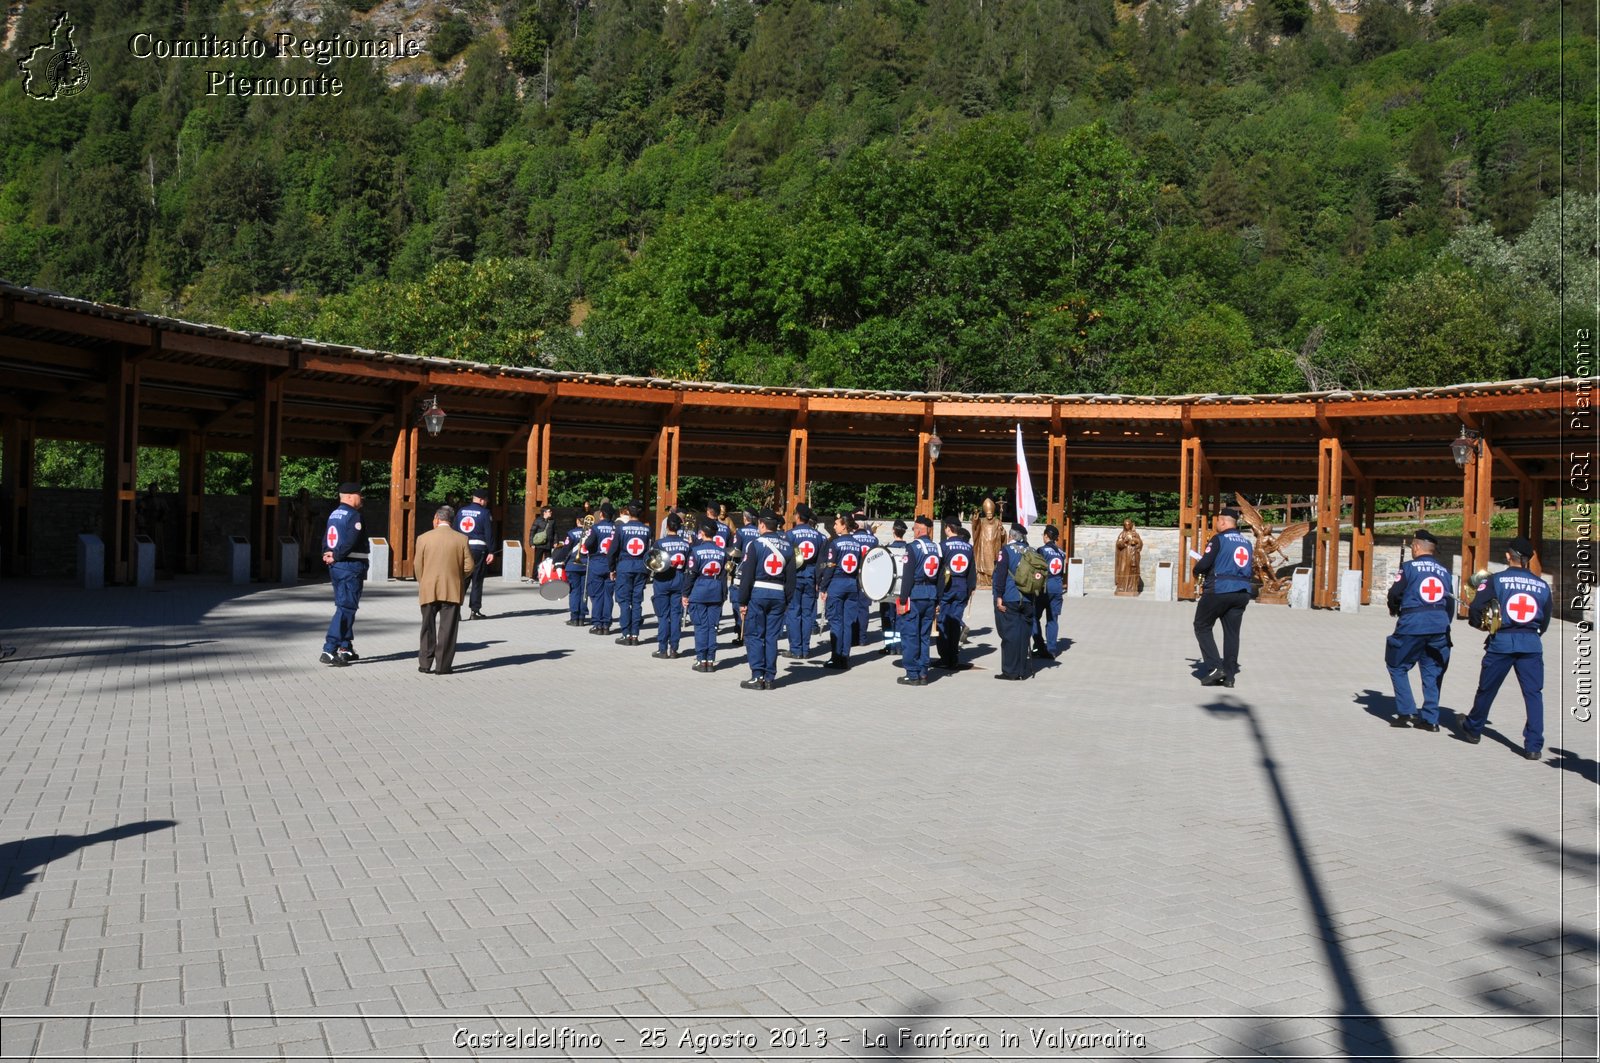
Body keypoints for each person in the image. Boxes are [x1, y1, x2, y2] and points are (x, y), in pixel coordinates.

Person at [1457, 537, 1553, 760]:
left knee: (1487, 689)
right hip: (1531, 643)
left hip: (1502, 642)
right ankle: (1533, 746)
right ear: (1529, 559)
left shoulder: (1496, 580)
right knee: (1533, 694)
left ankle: (1473, 729)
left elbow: (1477, 607)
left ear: (1509, 556)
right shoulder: (1542, 585)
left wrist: (1479, 625)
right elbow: (1545, 620)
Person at [1384, 528, 1455, 731]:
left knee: (1397, 665)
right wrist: (1443, 623)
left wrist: (1394, 609)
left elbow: (1395, 593)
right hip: (1439, 626)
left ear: (1416, 547)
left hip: (1412, 624)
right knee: (1432, 670)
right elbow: (1449, 604)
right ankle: (1431, 720)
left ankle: (1406, 713)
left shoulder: (1408, 568)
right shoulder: (1445, 571)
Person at [1192, 506, 1255, 688]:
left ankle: (1214, 667)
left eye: (1218, 520)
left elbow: (1204, 564)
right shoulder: (1246, 542)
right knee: (1232, 634)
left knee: (1202, 625)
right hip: (1242, 592)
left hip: (1219, 590)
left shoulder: (1218, 540)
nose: (1216, 524)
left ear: (1223, 521)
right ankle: (1229, 676)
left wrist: (1197, 569)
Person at [736, 510, 795, 690]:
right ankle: (770, 677)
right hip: (779, 596)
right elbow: (792, 579)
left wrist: (742, 601)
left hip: (758, 594)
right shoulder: (788, 546)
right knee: (771, 637)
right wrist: (787, 600)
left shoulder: (755, 544)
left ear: (761, 524)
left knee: (754, 635)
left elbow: (747, 575)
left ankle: (757, 676)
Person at [414, 505, 475, 675]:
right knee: (448, 629)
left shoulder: (423, 538)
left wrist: (424, 580)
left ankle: (425, 664)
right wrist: (457, 576)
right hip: (452, 589)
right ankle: (443, 666)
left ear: (436, 518)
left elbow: (418, 566)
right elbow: (470, 565)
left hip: (429, 588)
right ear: (452, 520)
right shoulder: (461, 539)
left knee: (427, 626)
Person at [319, 482, 369, 667]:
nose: (361, 498)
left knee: (346, 604)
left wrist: (327, 553)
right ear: (348, 496)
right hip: (350, 566)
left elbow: (326, 537)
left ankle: (345, 647)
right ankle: (329, 649)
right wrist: (338, 555)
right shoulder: (354, 515)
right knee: (346, 607)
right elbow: (351, 540)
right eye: (358, 494)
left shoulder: (334, 514)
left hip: (337, 567)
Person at [896, 516, 942, 685]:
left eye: (915, 529)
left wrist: (902, 599)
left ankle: (912, 674)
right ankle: (923, 672)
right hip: (931, 594)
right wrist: (938, 600)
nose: (913, 531)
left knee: (910, 635)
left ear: (920, 529)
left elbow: (907, 576)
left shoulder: (913, 547)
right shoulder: (937, 548)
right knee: (924, 635)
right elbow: (941, 578)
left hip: (915, 594)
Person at [991, 524, 1036, 681]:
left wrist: (998, 596)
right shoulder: (1032, 551)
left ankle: (1010, 671)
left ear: (1011, 536)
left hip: (1010, 598)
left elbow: (1001, 574)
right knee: (1024, 635)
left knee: (1010, 635)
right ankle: (1022, 670)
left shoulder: (1006, 551)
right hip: (1029, 599)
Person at [783, 503, 828, 660]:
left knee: (794, 613)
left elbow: (787, 560)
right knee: (808, 614)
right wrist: (819, 580)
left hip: (794, 578)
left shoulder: (790, 535)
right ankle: (806, 649)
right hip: (811, 578)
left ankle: (795, 649)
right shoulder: (820, 537)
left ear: (797, 516)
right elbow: (822, 562)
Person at [820, 514, 864, 669]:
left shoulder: (836, 544)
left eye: (837, 524)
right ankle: (845, 657)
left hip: (837, 584)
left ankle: (836, 657)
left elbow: (830, 567)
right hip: (852, 584)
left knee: (836, 622)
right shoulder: (857, 545)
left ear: (844, 525)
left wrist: (823, 587)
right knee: (848, 623)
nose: (834, 526)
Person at [684, 520, 729, 672]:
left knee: (700, 626)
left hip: (700, 590)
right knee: (712, 627)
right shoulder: (722, 552)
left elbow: (691, 574)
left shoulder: (696, 551)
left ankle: (701, 659)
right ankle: (710, 659)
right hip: (716, 590)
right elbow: (724, 576)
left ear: (702, 533)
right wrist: (723, 595)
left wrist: (685, 593)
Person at [609, 500, 654, 646]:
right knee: (637, 602)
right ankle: (635, 634)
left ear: (628, 512)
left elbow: (613, 550)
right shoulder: (648, 530)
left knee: (624, 601)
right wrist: (648, 570)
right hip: (641, 567)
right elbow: (650, 552)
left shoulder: (621, 529)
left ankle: (625, 633)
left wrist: (611, 568)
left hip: (625, 567)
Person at [935, 518, 976, 672]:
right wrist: (970, 589)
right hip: (962, 588)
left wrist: (936, 593)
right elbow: (972, 570)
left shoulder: (943, 546)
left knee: (943, 622)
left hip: (946, 588)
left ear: (948, 528)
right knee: (955, 623)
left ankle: (945, 658)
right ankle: (954, 656)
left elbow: (938, 571)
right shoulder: (968, 547)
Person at [651, 513, 691, 659]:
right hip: (679, 579)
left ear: (667, 526)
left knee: (663, 615)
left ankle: (662, 649)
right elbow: (689, 566)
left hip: (662, 580)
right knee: (676, 615)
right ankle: (674, 649)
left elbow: (652, 562)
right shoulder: (686, 544)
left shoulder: (659, 543)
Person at [453, 489, 495, 620]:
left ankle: (455, 611)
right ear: (481, 500)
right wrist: (492, 551)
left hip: (462, 548)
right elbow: (489, 534)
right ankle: (474, 611)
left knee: (462, 580)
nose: (486, 503)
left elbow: (454, 530)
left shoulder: (461, 511)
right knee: (477, 580)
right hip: (478, 549)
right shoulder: (485, 513)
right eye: (486, 500)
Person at [1033, 525, 1067, 659]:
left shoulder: (1042, 550)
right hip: (1057, 588)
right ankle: (1052, 649)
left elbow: (1036, 569)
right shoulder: (1061, 552)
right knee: (1053, 619)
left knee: (1034, 617)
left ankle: (1040, 646)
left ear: (1046, 536)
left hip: (1044, 588)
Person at [584, 503, 618, 635]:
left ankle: (597, 624)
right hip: (611, 565)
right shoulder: (617, 528)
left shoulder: (596, 528)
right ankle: (606, 625)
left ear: (602, 514)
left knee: (597, 595)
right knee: (608, 596)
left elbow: (588, 544)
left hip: (597, 563)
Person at [729, 509, 760, 646]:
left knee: (738, 601)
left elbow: (735, 552)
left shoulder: (740, 532)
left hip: (742, 570)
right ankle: (751, 632)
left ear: (744, 518)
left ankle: (741, 633)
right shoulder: (760, 532)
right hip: (756, 571)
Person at [880, 521, 910, 656]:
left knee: (887, 618)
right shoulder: (909, 549)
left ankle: (889, 646)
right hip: (902, 590)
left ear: (893, 531)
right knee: (901, 618)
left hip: (888, 589)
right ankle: (900, 646)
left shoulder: (887, 550)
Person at [850, 512, 879, 647]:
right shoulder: (873, 539)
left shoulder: (851, 539)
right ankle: (862, 637)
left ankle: (853, 637)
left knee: (852, 606)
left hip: (853, 575)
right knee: (864, 608)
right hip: (867, 576)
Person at [558, 515, 589, 627]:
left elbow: (565, 549)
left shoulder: (571, 533)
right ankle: (582, 617)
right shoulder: (590, 533)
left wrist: (556, 560)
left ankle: (574, 617)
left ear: (577, 521)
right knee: (584, 592)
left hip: (572, 566)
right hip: (586, 565)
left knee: (574, 591)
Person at [971, 497, 1005, 588]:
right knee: (983, 564)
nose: (989, 515)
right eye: (987, 513)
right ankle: (983, 580)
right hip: (983, 546)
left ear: (993, 512)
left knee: (994, 565)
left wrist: (1002, 531)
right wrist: (975, 517)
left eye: (991, 513)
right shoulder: (981, 521)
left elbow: (1003, 536)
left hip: (994, 547)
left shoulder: (998, 521)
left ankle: (992, 581)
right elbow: (975, 526)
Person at [1115, 519, 1143, 595]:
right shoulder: (1122, 534)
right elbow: (1118, 544)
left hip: (1132, 555)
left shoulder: (1135, 534)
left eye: (1128, 524)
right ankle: (1121, 587)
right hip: (1124, 555)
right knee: (1123, 569)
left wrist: (1136, 541)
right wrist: (1124, 541)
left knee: (1132, 570)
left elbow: (1140, 543)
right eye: (1125, 524)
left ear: (1131, 525)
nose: (1127, 526)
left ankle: (1132, 588)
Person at [526, 505, 555, 576]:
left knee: (548, 561)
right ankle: (534, 576)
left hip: (548, 544)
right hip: (540, 544)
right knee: (537, 560)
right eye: (549, 511)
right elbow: (532, 531)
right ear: (544, 512)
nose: (550, 512)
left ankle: (547, 576)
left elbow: (555, 532)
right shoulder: (538, 520)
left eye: (551, 511)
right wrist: (531, 543)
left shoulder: (552, 521)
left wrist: (555, 541)